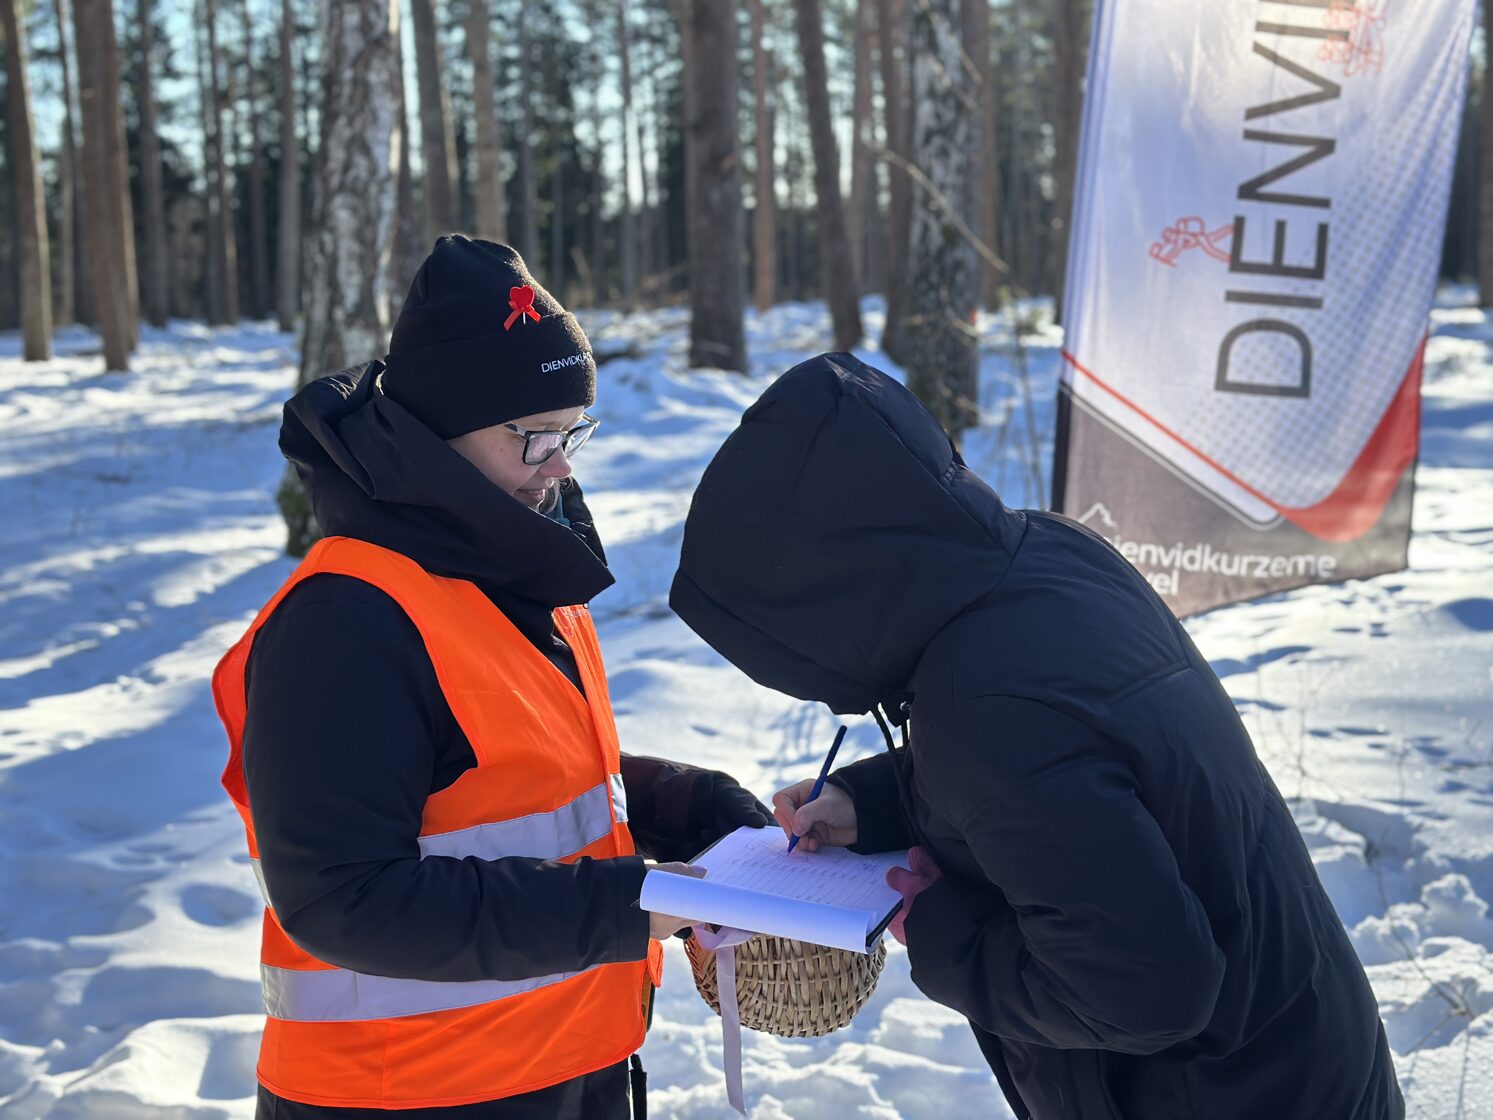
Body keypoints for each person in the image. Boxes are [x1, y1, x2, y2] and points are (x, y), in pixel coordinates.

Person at [669, 352, 1403, 1120]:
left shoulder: (982, 708)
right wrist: (871, 802)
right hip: (1300, 1038)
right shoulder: (1041, 557)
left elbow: (1144, 993)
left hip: (1223, 1092)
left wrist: (941, 930)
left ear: (815, 591)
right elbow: (1074, 764)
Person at [214, 236, 769, 1118]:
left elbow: (507, 782)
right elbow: (344, 898)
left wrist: (683, 805)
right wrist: (627, 904)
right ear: (436, 434)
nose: (562, 464)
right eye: (534, 436)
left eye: (572, 430)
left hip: (566, 1067)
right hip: (406, 1096)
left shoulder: (514, 568)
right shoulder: (345, 623)